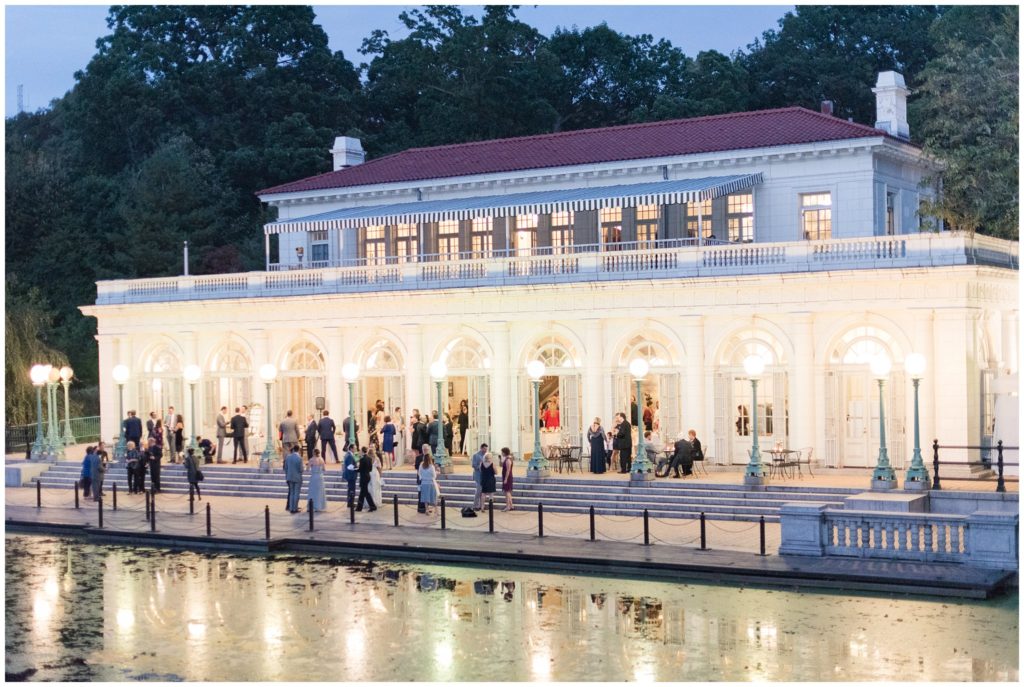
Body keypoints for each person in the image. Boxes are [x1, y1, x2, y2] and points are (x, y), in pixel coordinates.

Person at [356, 448, 378, 512]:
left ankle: (373, 506)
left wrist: (354, 470)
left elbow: (360, 470)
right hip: (368, 476)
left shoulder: (362, 459)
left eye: (360, 451)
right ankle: (359, 507)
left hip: (363, 477)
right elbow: (370, 469)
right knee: (362, 492)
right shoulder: (369, 459)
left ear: (362, 451)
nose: (359, 452)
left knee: (365, 492)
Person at [283, 444, 303, 513]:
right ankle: (295, 508)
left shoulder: (288, 457)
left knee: (291, 493)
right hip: (297, 477)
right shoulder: (299, 458)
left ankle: (291, 508)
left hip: (289, 476)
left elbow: (285, 468)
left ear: (293, 449)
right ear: (299, 450)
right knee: (296, 493)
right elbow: (301, 469)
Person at [471, 442, 488, 511]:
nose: (485, 450)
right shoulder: (476, 455)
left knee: (483, 492)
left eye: (486, 449)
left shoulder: (486, 455)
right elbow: (473, 465)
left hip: (484, 476)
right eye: (484, 449)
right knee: (478, 491)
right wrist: (480, 466)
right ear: (481, 448)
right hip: (478, 475)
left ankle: (481, 505)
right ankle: (475, 505)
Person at [342, 443, 358, 508]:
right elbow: (349, 466)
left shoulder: (349, 455)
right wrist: (357, 468)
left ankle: (350, 502)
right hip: (351, 475)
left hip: (350, 475)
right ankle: (351, 503)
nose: (356, 449)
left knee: (351, 489)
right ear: (351, 449)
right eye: (355, 448)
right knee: (351, 489)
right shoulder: (349, 456)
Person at [500, 447, 515, 512]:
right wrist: (500, 459)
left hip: (507, 477)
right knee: (508, 491)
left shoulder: (508, 459)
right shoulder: (507, 458)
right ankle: (511, 506)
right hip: (506, 476)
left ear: (505, 452)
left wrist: (505, 479)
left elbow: (508, 470)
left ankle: (508, 506)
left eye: (502, 452)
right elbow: (501, 465)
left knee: (507, 492)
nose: (501, 453)